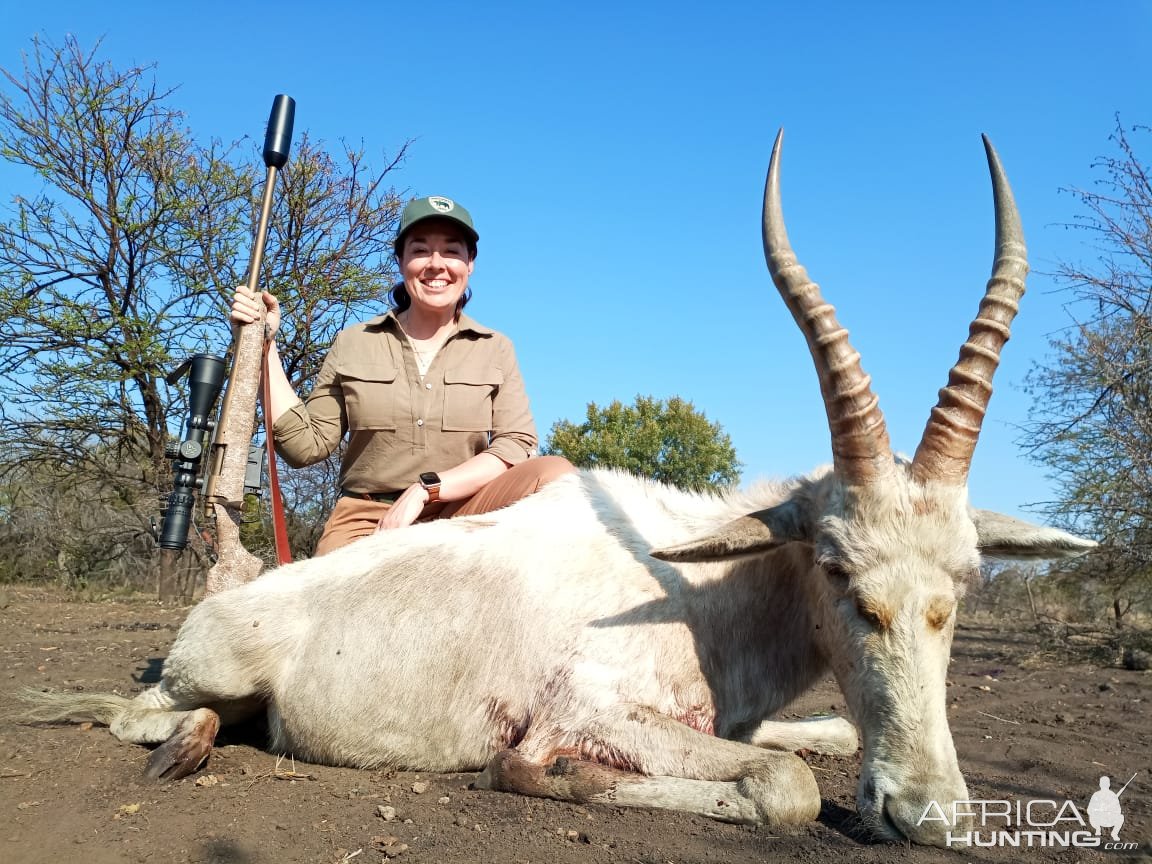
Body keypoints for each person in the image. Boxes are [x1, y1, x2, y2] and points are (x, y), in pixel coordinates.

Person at [230, 195, 573, 555]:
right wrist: (263, 347)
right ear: (401, 260)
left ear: (470, 263)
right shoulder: (353, 342)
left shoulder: (496, 347)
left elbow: (514, 445)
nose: (436, 265)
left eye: (452, 252)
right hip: (370, 519)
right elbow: (305, 446)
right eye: (421, 250)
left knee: (556, 476)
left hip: (466, 511)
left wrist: (427, 489)